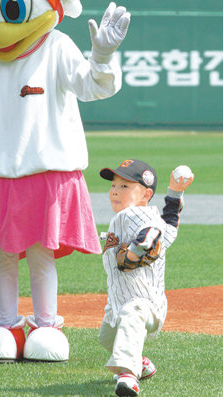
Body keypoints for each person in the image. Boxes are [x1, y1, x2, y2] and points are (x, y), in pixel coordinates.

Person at [0, 0, 130, 360]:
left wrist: (103, 56)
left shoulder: (57, 44)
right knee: (1, 254)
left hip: (46, 168)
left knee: (39, 253)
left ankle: (46, 326)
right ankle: (6, 327)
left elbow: (93, 86)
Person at [98, 158, 194, 396]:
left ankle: (129, 377)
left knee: (131, 316)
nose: (115, 192)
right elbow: (169, 227)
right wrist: (175, 192)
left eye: (125, 186)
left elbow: (151, 231)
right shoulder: (124, 216)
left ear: (145, 194)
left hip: (144, 304)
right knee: (108, 338)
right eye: (114, 186)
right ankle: (141, 362)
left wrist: (138, 248)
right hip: (120, 302)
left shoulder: (135, 214)